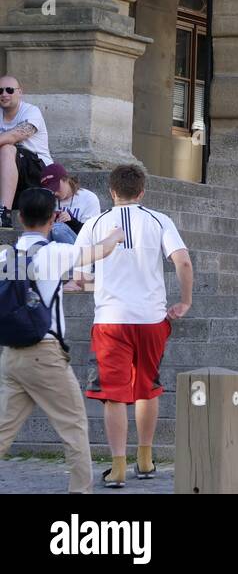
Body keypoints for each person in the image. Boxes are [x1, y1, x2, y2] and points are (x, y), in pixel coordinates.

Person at [72, 164, 194, 488]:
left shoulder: (95, 223)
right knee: (147, 387)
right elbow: (182, 260)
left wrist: (96, 285)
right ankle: (145, 456)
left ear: (111, 192)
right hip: (151, 318)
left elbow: (77, 271)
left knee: (114, 395)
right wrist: (185, 300)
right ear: (142, 192)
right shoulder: (159, 220)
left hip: (111, 319)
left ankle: (118, 466)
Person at [0, 188, 125, 493]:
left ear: (19, 217)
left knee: (3, 430)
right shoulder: (54, 252)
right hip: (45, 354)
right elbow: (100, 251)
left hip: (12, 355)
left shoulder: (6, 254)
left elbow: (25, 287)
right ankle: (80, 492)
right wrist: (116, 234)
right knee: (74, 427)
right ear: (54, 218)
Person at [0, 76, 52, 228]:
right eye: (0, 91)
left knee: (8, 148)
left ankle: (4, 214)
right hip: (10, 178)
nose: (4, 94)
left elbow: (16, 135)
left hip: (38, 174)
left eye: (9, 90)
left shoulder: (31, 111)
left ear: (20, 92)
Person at [40, 163, 101, 245]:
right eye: (50, 189)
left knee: (58, 229)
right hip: (54, 250)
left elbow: (92, 235)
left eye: (56, 187)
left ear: (66, 179)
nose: (54, 193)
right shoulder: (48, 200)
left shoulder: (88, 198)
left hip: (83, 250)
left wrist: (72, 221)